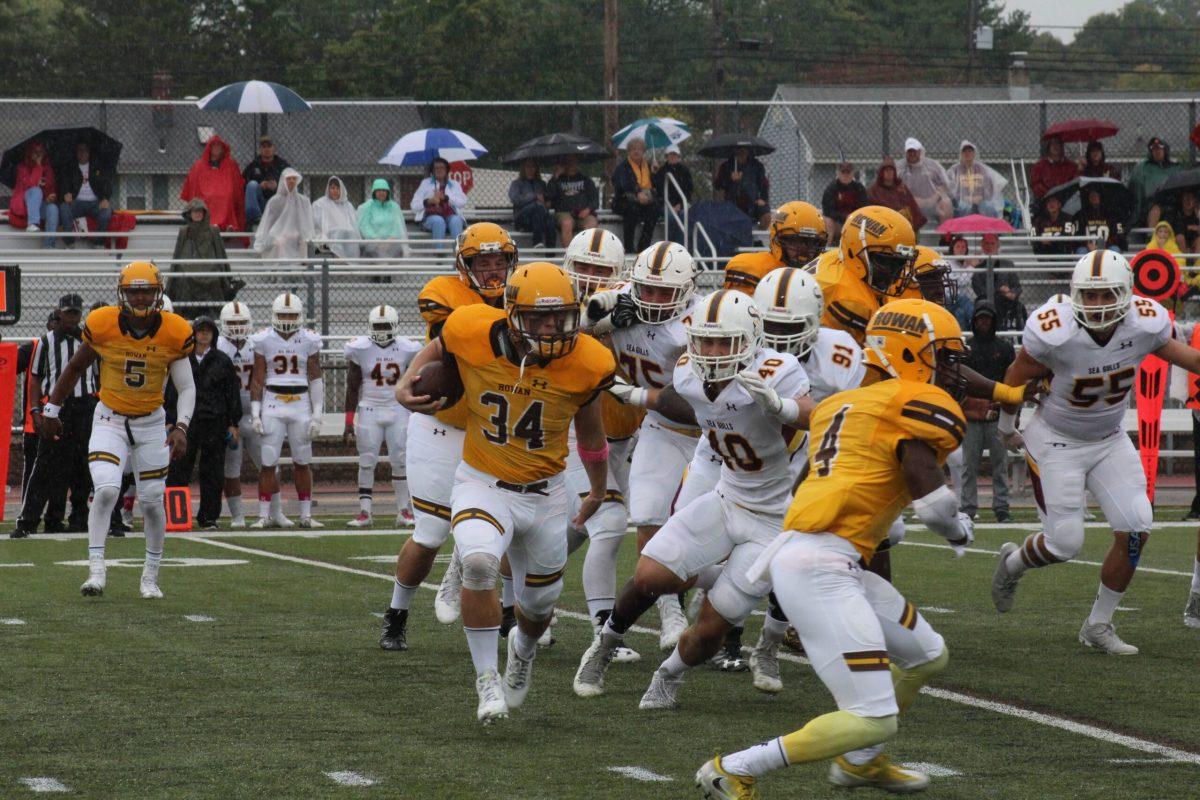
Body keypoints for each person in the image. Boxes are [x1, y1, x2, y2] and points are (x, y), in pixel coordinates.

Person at [696, 298, 973, 798]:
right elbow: (934, 509)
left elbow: (804, 483)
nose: (953, 369)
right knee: (872, 718)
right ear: (912, 354)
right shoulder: (903, 406)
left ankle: (859, 765)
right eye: (944, 355)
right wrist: (958, 530)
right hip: (820, 564)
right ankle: (733, 766)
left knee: (928, 656)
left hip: (824, 557)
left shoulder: (841, 405)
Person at [397, 261, 615, 723]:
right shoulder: (472, 327)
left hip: (546, 493)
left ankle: (523, 653)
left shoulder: (588, 361)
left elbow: (592, 435)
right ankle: (486, 680)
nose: (552, 328)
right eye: (539, 318)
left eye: (560, 317)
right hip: (482, 480)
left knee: (537, 609)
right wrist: (404, 382)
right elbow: (438, 346)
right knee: (478, 564)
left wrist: (597, 489)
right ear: (512, 314)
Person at [574, 287, 815, 706]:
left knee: (708, 631)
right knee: (649, 575)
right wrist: (633, 394)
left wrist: (779, 406)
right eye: (705, 340)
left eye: (725, 341)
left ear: (751, 340)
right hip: (728, 497)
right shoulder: (688, 368)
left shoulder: (780, 371)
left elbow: (816, 414)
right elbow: (676, 399)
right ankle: (605, 643)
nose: (713, 350)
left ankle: (669, 675)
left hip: (774, 518)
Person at [994, 251, 1200, 655]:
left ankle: (1098, 625)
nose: (1098, 304)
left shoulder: (1146, 321)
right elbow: (1016, 376)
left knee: (1138, 526)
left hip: (1108, 437)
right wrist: (1006, 427)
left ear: (1125, 292)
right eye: (1089, 296)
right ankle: (1013, 563)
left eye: (1107, 294)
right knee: (1064, 544)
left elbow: (1186, 357)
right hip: (1056, 439)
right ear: (1074, 295)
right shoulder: (1054, 330)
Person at [376, 223, 516, 652]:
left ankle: (511, 616)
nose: (493, 270)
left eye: (499, 261)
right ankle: (396, 614)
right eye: (483, 262)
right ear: (464, 266)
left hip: (490, 428)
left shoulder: (520, 298)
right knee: (431, 532)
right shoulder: (445, 293)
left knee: (510, 525)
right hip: (441, 426)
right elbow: (456, 339)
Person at [40, 262, 195, 599]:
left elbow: (186, 387)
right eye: (134, 290)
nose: (140, 297)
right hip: (110, 418)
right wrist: (52, 407)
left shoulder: (175, 330)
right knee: (108, 490)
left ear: (158, 292)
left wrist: (181, 425)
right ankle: (96, 569)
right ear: (122, 293)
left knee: (153, 502)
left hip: (152, 422)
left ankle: (150, 577)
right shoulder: (103, 323)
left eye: (147, 290)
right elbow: (76, 367)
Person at [582, 241, 698, 650]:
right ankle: (670, 609)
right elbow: (568, 332)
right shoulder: (625, 301)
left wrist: (629, 393)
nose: (651, 300)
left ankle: (723, 621)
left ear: (685, 291)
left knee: (701, 536)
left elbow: (693, 405)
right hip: (660, 429)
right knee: (648, 513)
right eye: (646, 290)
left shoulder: (696, 323)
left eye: (663, 293)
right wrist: (595, 317)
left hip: (711, 435)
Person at [559, 228, 642, 663]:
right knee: (608, 528)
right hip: (579, 434)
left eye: (601, 271)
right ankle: (604, 632)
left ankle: (518, 592)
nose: (591, 279)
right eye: (585, 268)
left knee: (571, 532)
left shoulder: (637, 309)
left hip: (631, 435)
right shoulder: (553, 310)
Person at [14, 296, 96, 538]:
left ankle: (80, 518)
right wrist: (35, 410)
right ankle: (28, 520)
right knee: (45, 465)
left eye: (76, 313)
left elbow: (99, 376)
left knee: (84, 464)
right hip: (56, 407)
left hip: (85, 405)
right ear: (58, 313)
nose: (72, 318)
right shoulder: (46, 342)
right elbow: (36, 378)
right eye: (68, 313)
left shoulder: (90, 341)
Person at [248, 292, 324, 529]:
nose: (287, 319)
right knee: (268, 460)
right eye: (283, 314)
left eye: (291, 315)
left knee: (302, 460)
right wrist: (255, 412)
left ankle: (305, 515)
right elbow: (258, 378)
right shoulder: (263, 339)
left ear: (300, 316)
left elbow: (315, 377)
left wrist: (317, 415)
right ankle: (263, 514)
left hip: (300, 402)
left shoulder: (309, 339)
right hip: (273, 401)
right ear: (274, 315)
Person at [343, 305, 422, 527]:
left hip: (398, 410)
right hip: (369, 409)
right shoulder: (360, 348)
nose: (382, 330)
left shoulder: (408, 348)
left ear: (395, 326)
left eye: (386, 326)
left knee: (401, 462)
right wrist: (348, 422)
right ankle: (365, 512)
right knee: (367, 462)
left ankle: (404, 511)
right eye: (378, 326)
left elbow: (416, 383)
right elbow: (352, 387)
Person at [166, 316, 242, 530]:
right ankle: (176, 515)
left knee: (213, 472)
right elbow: (173, 391)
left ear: (214, 334)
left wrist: (232, 423)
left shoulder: (223, 361)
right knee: (179, 468)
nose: (204, 334)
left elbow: (232, 394)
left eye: (208, 331)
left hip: (214, 422)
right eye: (201, 330)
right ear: (194, 333)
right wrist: (170, 420)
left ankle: (208, 517)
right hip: (186, 423)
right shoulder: (182, 359)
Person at [814, 205, 916, 347]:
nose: (893, 271)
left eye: (899, 263)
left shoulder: (835, 259)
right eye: (885, 261)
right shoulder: (852, 300)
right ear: (853, 250)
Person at [960, 300, 1014, 523]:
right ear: (974, 321)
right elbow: (960, 383)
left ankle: (1002, 507)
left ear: (994, 321)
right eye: (980, 318)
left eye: (987, 319)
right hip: (972, 415)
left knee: (1000, 464)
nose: (984, 322)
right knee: (968, 465)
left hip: (997, 412)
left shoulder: (1004, 349)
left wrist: (1012, 414)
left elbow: (1012, 380)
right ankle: (967, 508)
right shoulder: (966, 349)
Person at [217, 300, 264, 528]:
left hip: (256, 414)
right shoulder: (217, 347)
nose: (237, 327)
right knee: (231, 469)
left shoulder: (258, 345)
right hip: (231, 419)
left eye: (241, 322)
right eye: (232, 323)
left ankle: (273, 513)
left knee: (269, 464)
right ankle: (238, 516)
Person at [13, 313, 56, 537]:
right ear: (48, 324)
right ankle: (27, 515)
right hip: (35, 423)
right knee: (33, 472)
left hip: (59, 422)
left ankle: (54, 518)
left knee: (60, 472)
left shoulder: (75, 345)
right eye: (54, 322)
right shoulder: (34, 347)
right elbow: (9, 366)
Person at [723, 201, 826, 293]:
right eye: (795, 241)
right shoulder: (754, 269)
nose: (803, 249)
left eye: (811, 242)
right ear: (776, 239)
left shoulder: (826, 274)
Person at [168, 198, 234, 319]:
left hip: (210, 272)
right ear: (189, 213)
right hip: (188, 273)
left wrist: (227, 276)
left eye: (200, 211)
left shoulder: (213, 231)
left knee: (216, 280)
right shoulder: (184, 232)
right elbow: (177, 255)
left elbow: (220, 254)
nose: (198, 214)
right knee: (183, 282)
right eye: (195, 211)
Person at [180, 135, 245, 232]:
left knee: (226, 197)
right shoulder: (199, 165)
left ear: (223, 148)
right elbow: (193, 185)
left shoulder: (231, 165)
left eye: (219, 145)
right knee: (209, 198)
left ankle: (227, 225)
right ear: (209, 147)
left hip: (225, 195)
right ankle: (214, 225)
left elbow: (236, 185)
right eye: (214, 145)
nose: (217, 147)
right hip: (205, 194)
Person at [254, 167, 313, 265]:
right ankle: (279, 273)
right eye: (288, 179)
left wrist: (297, 233)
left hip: (296, 235)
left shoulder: (303, 201)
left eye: (294, 178)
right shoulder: (274, 201)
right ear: (283, 180)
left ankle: (303, 271)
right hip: (277, 235)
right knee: (280, 242)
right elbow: (268, 223)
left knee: (305, 242)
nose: (291, 181)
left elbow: (306, 222)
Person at [58, 140, 113, 244]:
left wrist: (105, 198)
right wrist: (66, 193)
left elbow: (107, 183)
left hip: (95, 202)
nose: (82, 153)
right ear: (76, 152)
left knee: (106, 211)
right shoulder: (71, 167)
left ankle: (98, 242)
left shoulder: (97, 167)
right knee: (64, 208)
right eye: (80, 150)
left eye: (85, 150)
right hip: (77, 202)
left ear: (89, 152)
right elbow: (63, 182)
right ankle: (69, 241)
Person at [612, 138, 660, 253]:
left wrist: (655, 172)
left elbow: (657, 185)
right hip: (625, 200)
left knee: (655, 210)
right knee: (631, 210)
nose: (636, 151)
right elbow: (621, 183)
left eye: (639, 149)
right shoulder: (623, 167)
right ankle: (629, 247)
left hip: (645, 201)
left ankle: (643, 247)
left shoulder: (648, 166)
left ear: (643, 151)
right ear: (629, 151)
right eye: (633, 149)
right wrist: (637, 192)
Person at [971, 233, 1025, 331]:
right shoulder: (978, 266)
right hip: (986, 300)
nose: (989, 247)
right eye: (986, 244)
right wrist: (975, 268)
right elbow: (978, 289)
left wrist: (1010, 293)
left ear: (998, 246)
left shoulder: (1008, 264)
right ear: (982, 246)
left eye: (992, 244)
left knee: (1019, 307)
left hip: (1006, 300)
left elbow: (1017, 287)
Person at [10, 140, 59, 247]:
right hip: (24, 203)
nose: (38, 155)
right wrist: (38, 167)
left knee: (53, 209)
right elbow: (31, 185)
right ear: (30, 152)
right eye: (35, 152)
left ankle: (49, 246)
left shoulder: (48, 168)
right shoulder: (22, 167)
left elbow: (51, 188)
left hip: (40, 204)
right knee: (36, 191)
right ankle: (32, 223)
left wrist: (51, 196)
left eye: (40, 152)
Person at [411, 157, 467, 247]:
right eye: (436, 168)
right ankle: (439, 254)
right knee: (438, 221)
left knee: (456, 220)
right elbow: (414, 206)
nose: (439, 170)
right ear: (432, 170)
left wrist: (446, 198)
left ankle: (459, 251)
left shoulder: (455, 184)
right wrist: (429, 201)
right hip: (430, 217)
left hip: (450, 216)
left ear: (447, 170)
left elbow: (463, 202)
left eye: (441, 168)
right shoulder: (425, 183)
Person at [1127, 136, 1181, 228]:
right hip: (1150, 206)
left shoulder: (1175, 168)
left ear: (1165, 150)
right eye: (1154, 149)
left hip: (1172, 204)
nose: (1157, 151)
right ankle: (1151, 238)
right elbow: (1135, 190)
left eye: (1159, 148)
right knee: (1155, 210)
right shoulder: (1143, 168)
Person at [546, 155, 599, 246]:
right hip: (563, 212)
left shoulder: (586, 180)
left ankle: (586, 254)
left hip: (583, 212)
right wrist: (555, 177)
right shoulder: (557, 180)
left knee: (592, 223)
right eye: (568, 162)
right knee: (567, 223)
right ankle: (570, 256)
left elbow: (595, 200)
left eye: (573, 162)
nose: (571, 165)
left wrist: (588, 210)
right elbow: (549, 196)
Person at [896, 137, 952, 225]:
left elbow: (945, 184)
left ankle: (945, 236)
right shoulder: (899, 168)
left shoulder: (933, 165)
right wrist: (914, 200)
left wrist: (933, 198)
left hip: (934, 203)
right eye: (909, 151)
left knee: (946, 203)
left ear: (920, 151)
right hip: (909, 204)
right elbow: (897, 189)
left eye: (914, 151)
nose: (912, 154)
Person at [946, 140, 1007, 218]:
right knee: (963, 207)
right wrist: (965, 198)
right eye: (964, 151)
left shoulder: (982, 169)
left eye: (970, 151)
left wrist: (981, 197)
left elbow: (989, 186)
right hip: (962, 202)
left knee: (988, 208)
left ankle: (989, 229)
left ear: (974, 153)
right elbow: (949, 187)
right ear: (961, 154)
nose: (967, 154)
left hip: (981, 201)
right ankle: (964, 229)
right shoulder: (955, 169)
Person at [714, 146, 771, 226]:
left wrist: (763, 199)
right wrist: (730, 179)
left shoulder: (757, 166)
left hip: (753, 201)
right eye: (739, 149)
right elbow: (717, 185)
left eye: (744, 149)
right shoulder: (726, 166)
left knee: (766, 216)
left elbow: (764, 184)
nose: (742, 152)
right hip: (732, 202)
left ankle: (757, 235)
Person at [242, 136, 290, 227]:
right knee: (252, 185)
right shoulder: (252, 166)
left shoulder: (283, 165)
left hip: (278, 204)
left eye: (269, 146)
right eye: (264, 147)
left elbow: (292, 185)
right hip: (260, 204)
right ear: (260, 149)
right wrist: (259, 187)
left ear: (274, 148)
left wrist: (278, 187)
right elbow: (243, 187)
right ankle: (255, 219)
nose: (266, 149)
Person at [867, 157, 926, 231]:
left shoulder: (901, 187)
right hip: (882, 225)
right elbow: (871, 209)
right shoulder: (874, 190)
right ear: (882, 172)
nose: (889, 172)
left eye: (891, 170)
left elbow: (911, 205)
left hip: (902, 223)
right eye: (886, 170)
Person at [508, 159, 555, 249]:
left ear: (536, 169)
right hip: (523, 220)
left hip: (538, 219)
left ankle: (551, 252)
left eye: (533, 166)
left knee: (550, 221)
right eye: (527, 166)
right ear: (523, 169)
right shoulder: (516, 184)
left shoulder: (541, 184)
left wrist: (546, 202)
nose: (530, 169)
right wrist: (534, 196)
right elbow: (515, 199)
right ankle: (537, 241)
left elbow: (547, 200)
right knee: (537, 207)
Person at [358, 178, 409, 260]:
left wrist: (390, 240)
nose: (381, 193)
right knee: (371, 253)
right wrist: (376, 240)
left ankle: (390, 271)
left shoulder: (394, 207)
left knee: (397, 252)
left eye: (384, 190)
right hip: (372, 243)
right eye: (379, 190)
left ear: (388, 192)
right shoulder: (366, 207)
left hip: (391, 244)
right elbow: (364, 225)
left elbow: (397, 225)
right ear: (374, 191)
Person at [653, 144, 693, 245]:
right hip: (666, 205)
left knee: (684, 215)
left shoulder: (685, 171)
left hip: (681, 205)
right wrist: (654, 173)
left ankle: (681, 245)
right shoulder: (662, 171)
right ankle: (670, 244)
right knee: (670, 217)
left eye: (675, 155)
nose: (673, 157)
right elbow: (658, 190)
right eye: (670, 155)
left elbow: (689, 190)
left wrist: (680, 205)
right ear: (666, 157)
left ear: (679, 157)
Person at [311, 176, 360, 259]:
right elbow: (317, 224)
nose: (335, 191)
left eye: (338, 188)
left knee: (350, 234)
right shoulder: (320, 204)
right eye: (332, 188)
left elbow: (354, 224)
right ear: (328, 189)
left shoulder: (348, 205)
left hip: (347, 236)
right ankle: (338, 259)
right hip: (327, 235)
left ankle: (351, 265)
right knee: (337, 232)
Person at [821, 162, 870, 241]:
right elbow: (828, 210)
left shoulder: (859, 188)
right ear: (838, 173)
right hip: (837, 222)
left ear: (853, 173)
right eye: (843, 172)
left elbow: (864, 207)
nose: (846, 175)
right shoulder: (831, 188)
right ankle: (827, 247)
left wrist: (852, 217)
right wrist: (844, 217)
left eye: (848, 172)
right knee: (828, 221)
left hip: (855, 222)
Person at [1072, 187, 1127, 253]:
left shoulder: (1111, 214)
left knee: (1115, 250)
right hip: (1088, 247)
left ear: (1101, 197)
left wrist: (1104, 245)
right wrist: (1086, 244)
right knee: (1081, 251)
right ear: (1088, 198)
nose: (1094, 198)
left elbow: (1117, 235)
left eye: (1096, 195)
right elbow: (1077, 235)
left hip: (1107, 246)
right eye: (1092, 196)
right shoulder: (1081, 215)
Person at [944, 235, 977, 329]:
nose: (961, 249)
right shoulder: (947, 263)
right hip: (949, 299)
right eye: (958, 246)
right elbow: (960, 282)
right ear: (952, 249)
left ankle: (966, 336)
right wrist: (972, 267)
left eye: (963, 247)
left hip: (960, 303)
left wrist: (968, 266)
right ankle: (975, 321)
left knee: (960, 313)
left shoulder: (964, 264)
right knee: (962, 298)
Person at [1166, 190, 1200, 258]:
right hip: (1180, 241)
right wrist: (1190, 227)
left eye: (1190, 199)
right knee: (1180, 238)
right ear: (1182, 201)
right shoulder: (1177, 213)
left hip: (1194, 240)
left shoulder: (1197, 213)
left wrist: (1198, 215)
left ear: (1195, 201)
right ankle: (1185, 260)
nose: (1188, 201)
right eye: (1186, 199)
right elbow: (1176, 229)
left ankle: (1196, 264)